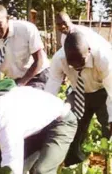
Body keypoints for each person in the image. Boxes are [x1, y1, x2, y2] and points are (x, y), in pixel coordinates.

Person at [46, 32, 112, 166]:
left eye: (81, 61)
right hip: (79, 93)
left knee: (108, 129)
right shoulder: (59, 59)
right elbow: (51, 88)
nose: (77, 67)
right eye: (72, 64)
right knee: (72, 130)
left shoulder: (103, 57)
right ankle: (73, 165)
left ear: (89, 51)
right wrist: (46, 117)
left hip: (103, 92)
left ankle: (107, 164)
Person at [0, 5, 49, 89]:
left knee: (28, 99)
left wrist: (20, 84)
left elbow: (39, 60)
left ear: (7, 19)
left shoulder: (26, 29)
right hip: (15, 81)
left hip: (37, 76)